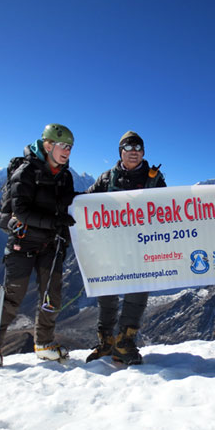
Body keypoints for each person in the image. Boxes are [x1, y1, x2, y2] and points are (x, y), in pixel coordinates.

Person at [0, 123, 77, 368]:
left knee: (51, 295)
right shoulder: (26, 172)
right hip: (22, 243)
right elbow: (21, 212)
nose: (67, 151)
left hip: (51, 244)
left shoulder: (64, 175)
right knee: (13, 296)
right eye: (62, 146)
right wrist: (55, 222)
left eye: (70, 147)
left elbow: (69, 202)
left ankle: (44, 344)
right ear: (47, 145)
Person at [85, 130, 166, 365]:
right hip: (109, 245)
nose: (134, 152)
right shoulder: (107, 178)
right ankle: (106, 340)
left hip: (140, 245)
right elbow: (85, 202)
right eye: (129, 148)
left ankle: (125, 342)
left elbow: (168, 207)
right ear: (120, 151)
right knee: (106, 294)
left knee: (137, 293)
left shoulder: (155, 179)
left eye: (138, 148)